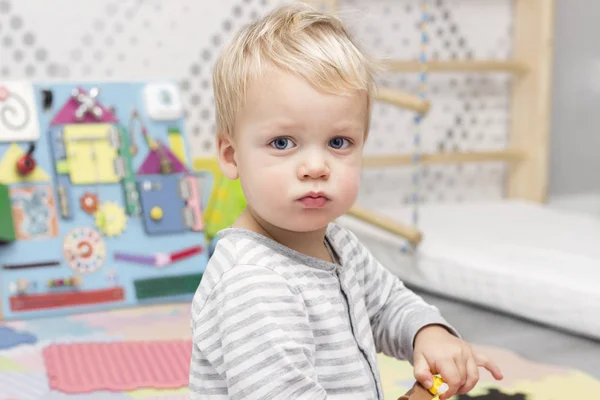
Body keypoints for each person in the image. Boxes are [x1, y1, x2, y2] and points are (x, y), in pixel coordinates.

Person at [189, 3, 503, 399]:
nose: (316, 166)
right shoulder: (253, 284)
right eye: (283, 143)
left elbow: (388, 305)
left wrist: (429, 333)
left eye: (339, 142)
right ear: (232, 155)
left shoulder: (338, 245)